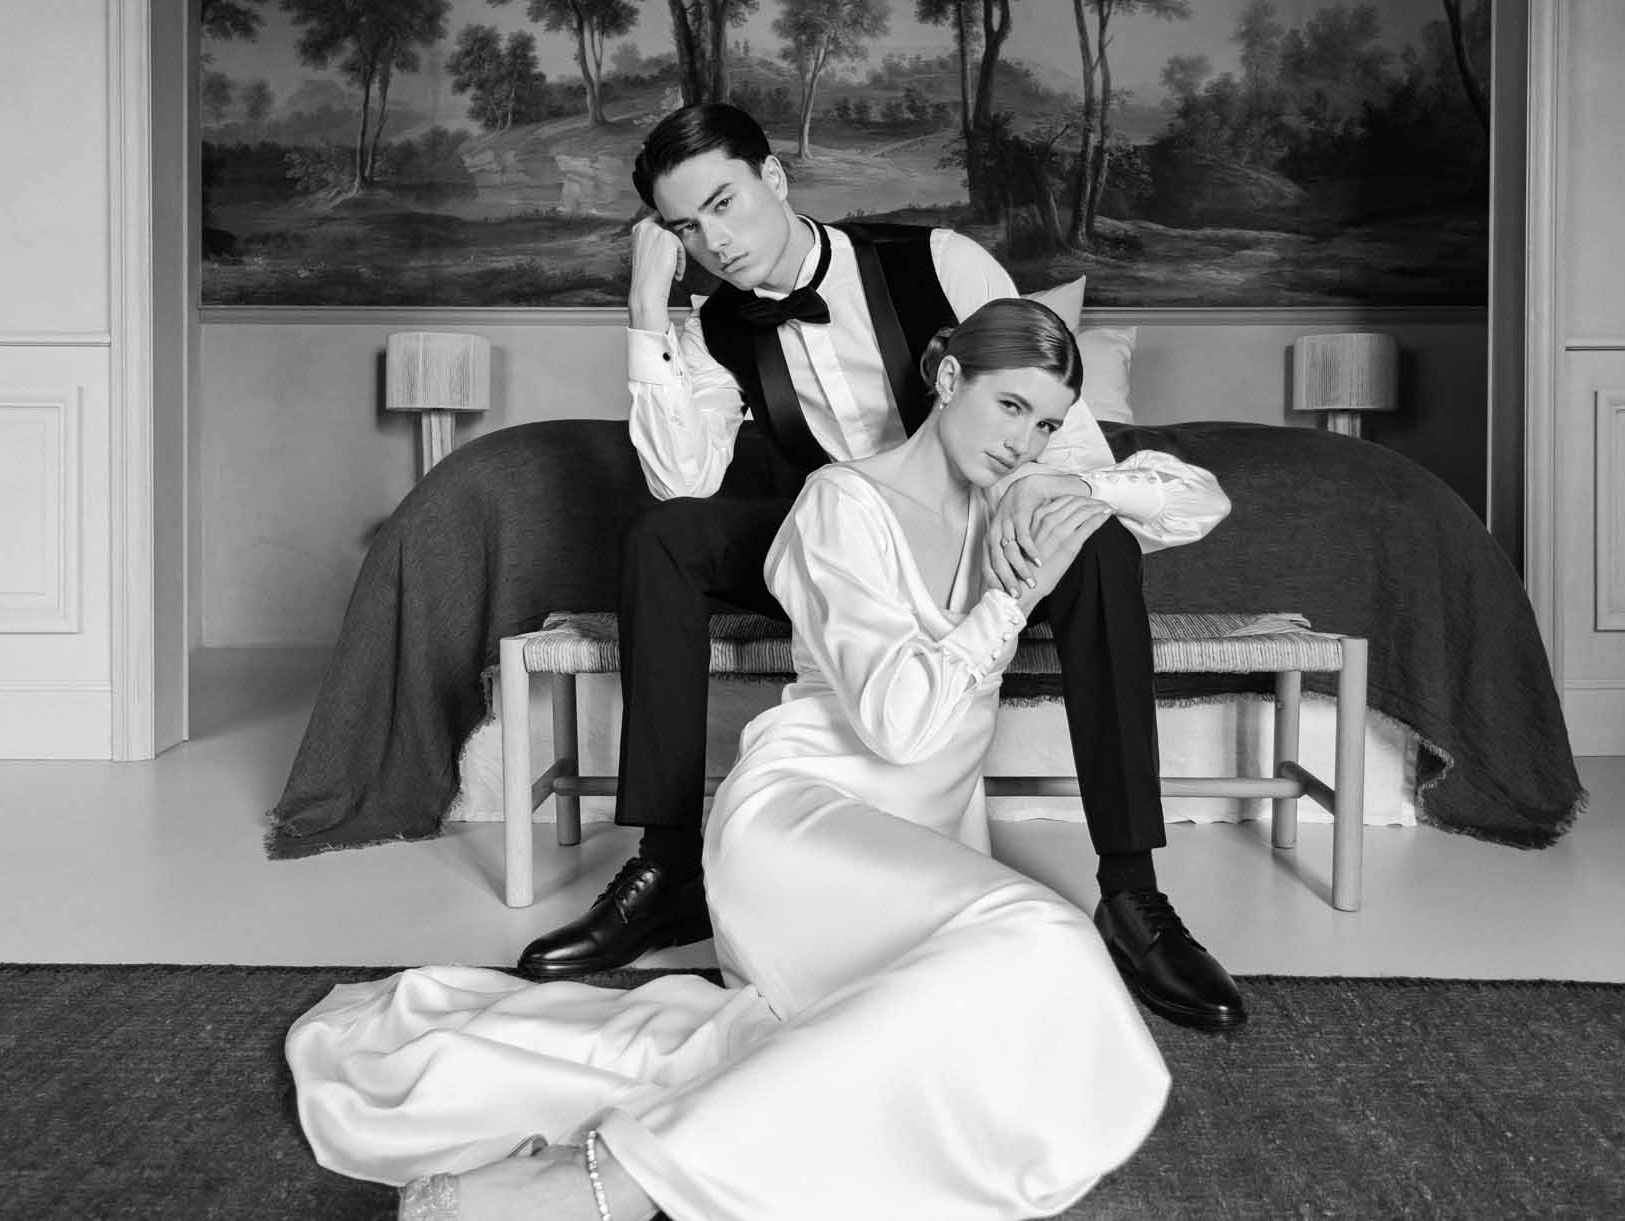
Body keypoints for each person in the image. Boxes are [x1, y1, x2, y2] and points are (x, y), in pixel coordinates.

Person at [286, 302, 1193, 1220]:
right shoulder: (840, 505)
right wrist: (1010, 597)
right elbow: (901, 727)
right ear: (949, 379)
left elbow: (1197, 499)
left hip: (912, 851)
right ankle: (605, 1179)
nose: (1025, 441)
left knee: (1006, 998)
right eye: (1010, 408)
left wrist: (1079, 491)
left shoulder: (1012, 500)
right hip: (799, 824)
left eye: (1045, 423)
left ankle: (653, 1153)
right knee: (1050, 942)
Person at [515, 102, 1246, 1032]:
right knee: (661, 537)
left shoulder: (940, 261)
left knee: (1098, 545)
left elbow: (1062, 436)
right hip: (834, 533)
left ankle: (1133, 894)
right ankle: (668, 868)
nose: (718, 243)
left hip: (971, 526)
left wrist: (1040, 490)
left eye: (727, 204)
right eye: (689, 228)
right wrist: (645, 310)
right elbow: (680, 477)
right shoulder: (711, 321)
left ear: (775, 178)